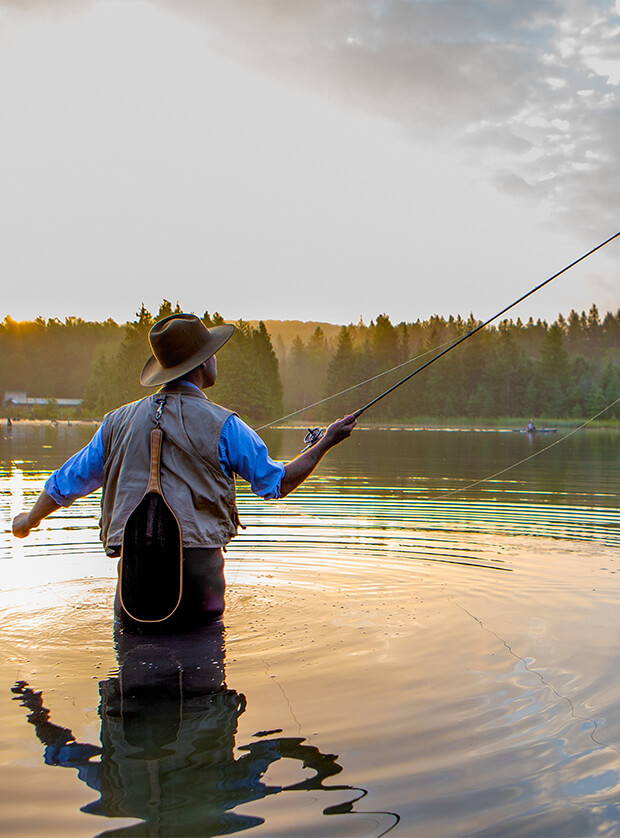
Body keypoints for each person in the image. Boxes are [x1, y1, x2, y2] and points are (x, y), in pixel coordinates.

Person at [12, 313, 357, 629]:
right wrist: (325, 442)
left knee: (131, 684)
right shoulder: (225, 425)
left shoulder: (114, 424)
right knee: (203, 687)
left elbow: (65, 484)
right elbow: (276, 483)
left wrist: (29, 520)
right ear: (204, 363)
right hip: (199, 592)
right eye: (213, 351)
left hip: (134, 593)